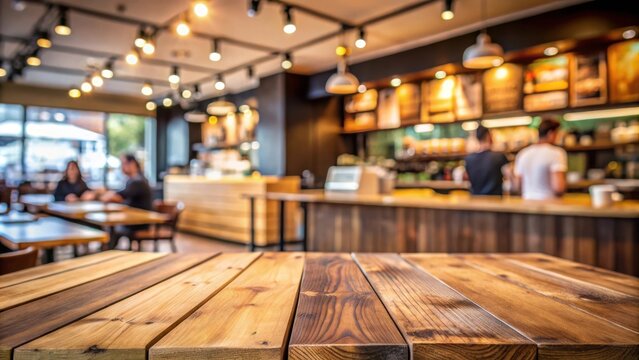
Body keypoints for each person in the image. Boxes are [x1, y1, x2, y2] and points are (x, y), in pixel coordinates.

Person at [514, 118, 567, 200]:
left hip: (527, 204)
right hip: (549, 205)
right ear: (551, 134)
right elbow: (558, 187)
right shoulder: (556, 153)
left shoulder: (523, 153)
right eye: (557, 134)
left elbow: (518, 185)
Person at [465, 125, 509, 196]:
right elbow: (510, 176)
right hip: (495, 201)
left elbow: (467, 178)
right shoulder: (499, 156)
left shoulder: (469, 159)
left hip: (475, 201)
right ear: (488, 136)